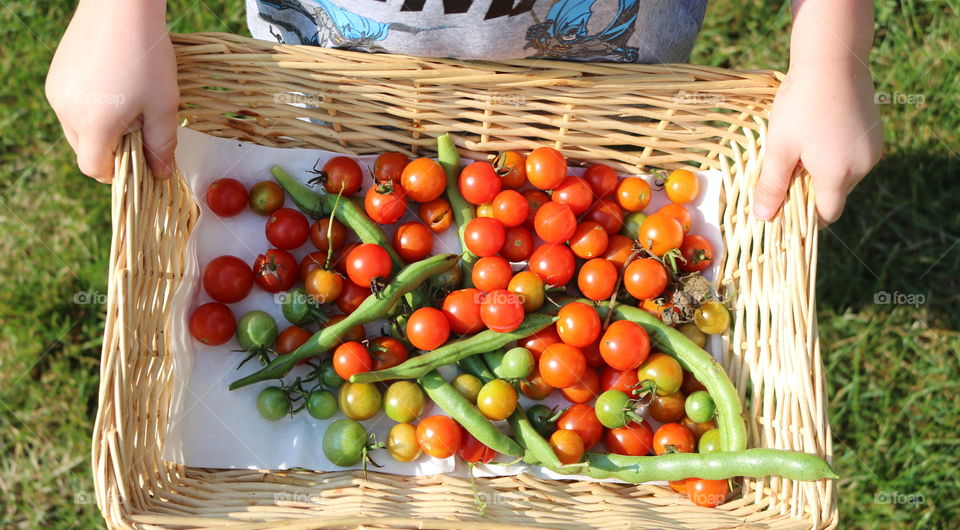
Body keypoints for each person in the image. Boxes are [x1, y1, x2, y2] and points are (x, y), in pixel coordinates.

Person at [45, 0, 881, 226]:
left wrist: (830, 53)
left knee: (596, 183)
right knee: (338, 180)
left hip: (597, 81)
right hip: (342, 72)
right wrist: (119, 13)